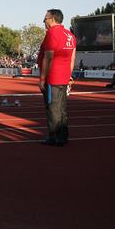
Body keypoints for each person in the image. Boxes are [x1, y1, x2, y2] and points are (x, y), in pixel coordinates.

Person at [38, 9, 76, 147]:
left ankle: (54, 137)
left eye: (45, 18)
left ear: (52, 19)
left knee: (52, 108)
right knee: (62, 109)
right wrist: (68, 75)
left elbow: (48, 57)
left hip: (52, 78)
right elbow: (73, 58)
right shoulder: (70, 35)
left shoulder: (52, 33)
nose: (44, 21)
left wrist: (42, 79)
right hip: (64, 78)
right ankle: (63, 135)